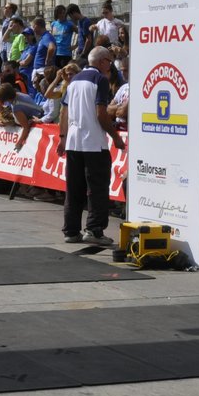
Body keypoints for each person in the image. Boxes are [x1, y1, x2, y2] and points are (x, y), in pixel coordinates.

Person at [56, 46, 124, 246]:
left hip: (74, 141)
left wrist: (62, 137)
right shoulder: (100, 80)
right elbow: (100, 114)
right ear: (102, 61)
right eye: (109, 62)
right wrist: (115, 136)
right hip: (93, 142)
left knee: (74, 187)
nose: (110, 66)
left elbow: (63, 112)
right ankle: (94, 230)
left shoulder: (74, 80)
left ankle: (71, 230)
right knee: (97, 188)